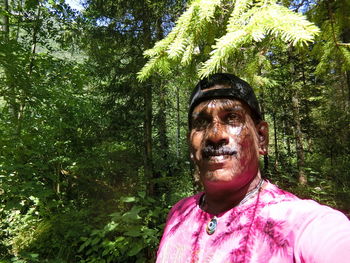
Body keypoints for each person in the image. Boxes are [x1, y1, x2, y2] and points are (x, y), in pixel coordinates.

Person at [156, 73, 350, 263]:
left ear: (262, 138)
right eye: (201, 122)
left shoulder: (304, 224)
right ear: (191, 144)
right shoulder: (179, 212)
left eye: (232, 118)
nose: (215, 135)